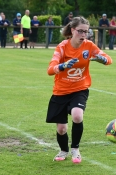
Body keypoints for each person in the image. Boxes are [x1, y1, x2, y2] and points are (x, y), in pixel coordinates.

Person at [46, 16, 112, 164]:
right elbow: (50, 70)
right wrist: (63, 66)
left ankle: (75, 149)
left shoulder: (89, 46)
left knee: (77, 115)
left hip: (79, 89)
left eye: (86, 32)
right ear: (72, 30)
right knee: (62, 129)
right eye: (80, 31)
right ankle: (63, 150)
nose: (83, 35)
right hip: (61, 91)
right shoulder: (62, 47)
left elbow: (108, 58)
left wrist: (103, 60)